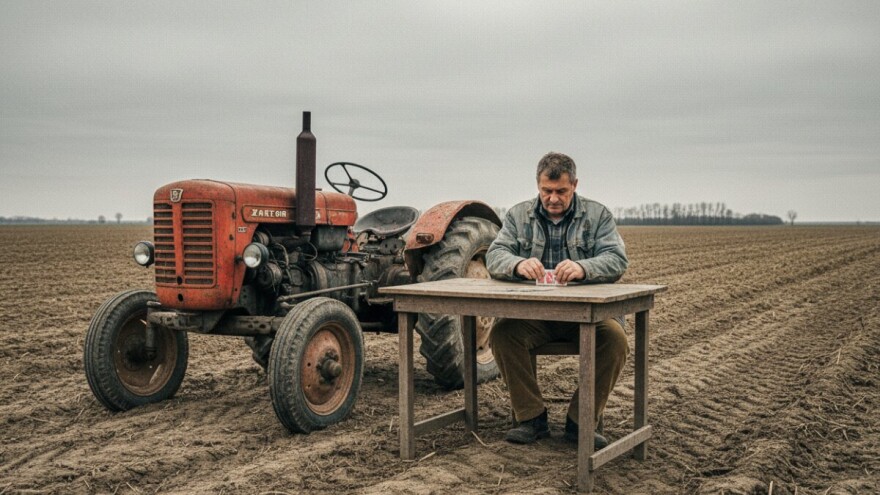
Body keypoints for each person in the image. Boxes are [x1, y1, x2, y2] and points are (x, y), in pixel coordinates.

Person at [486, 152, 629, 449]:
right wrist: (516, 264)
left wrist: (583, 268)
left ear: (574, 185)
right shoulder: (517, 215)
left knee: (615, 340)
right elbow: (494, 254)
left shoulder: (597, 215)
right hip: (536, 317)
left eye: (561, 191)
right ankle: (531, 418)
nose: (552, 198)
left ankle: (580, 422)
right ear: (538, 185)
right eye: (546, 191)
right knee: (502, 333)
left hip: (587, 315)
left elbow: (616, 259)